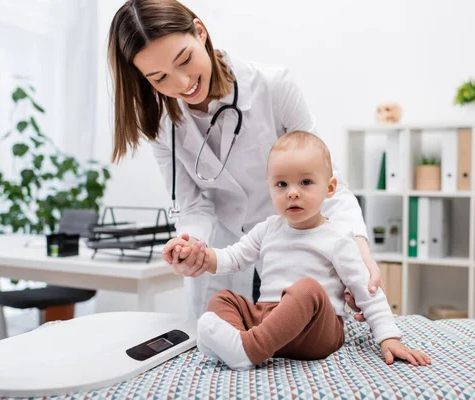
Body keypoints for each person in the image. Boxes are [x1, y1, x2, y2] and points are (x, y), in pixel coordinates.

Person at [107, 0, 383, 320]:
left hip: (292, 252)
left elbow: (325, 180)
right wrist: (190, 246)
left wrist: (358, 251)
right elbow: (193, 206)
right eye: (159, 78)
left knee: (300, 346)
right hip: (224, 262)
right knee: (220, 350)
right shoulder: (160, 124)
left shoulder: (272, 86)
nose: (181, 84)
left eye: (185, 60)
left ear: (200, 33)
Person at [165, 131, 431, 370]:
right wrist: (199, 254)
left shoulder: (338, 236)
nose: (292, 193)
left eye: (305, 183)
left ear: (329, 189)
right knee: (224, 298)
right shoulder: (267, 228)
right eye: (282, 185)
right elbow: (232, 258)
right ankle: (241, 343)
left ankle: (248, 349)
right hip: (270, 322)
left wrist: (389, 337)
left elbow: (368, 293)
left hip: (317, 332)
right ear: (269, 188)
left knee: (307, 288)